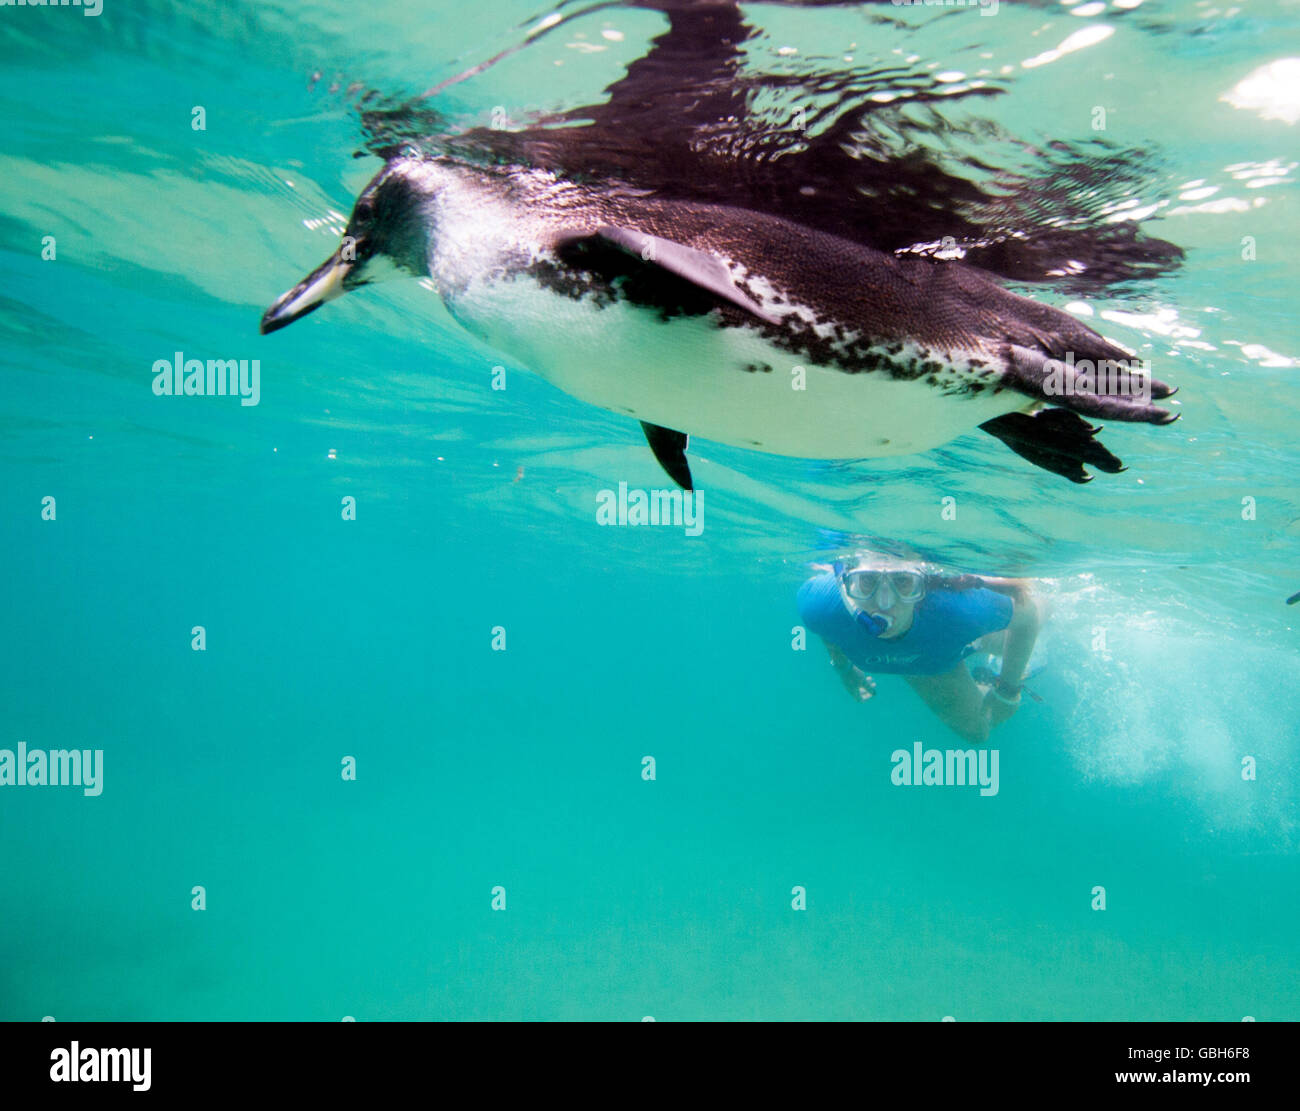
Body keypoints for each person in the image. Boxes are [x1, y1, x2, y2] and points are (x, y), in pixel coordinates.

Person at [797, 555, 1043, 744]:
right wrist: (844, 669)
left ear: (922, 586)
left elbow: (1029, 616)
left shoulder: (960, 609)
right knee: (977, 732)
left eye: (903, 582)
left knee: (1016, 633)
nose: (884, 603)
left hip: (954, 633)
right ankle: (983, 678)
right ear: (846, 584)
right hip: (930, 667)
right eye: (867, 581)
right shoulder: (819, 605)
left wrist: (1008, 689)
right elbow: (827, 630)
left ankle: (997, 664)